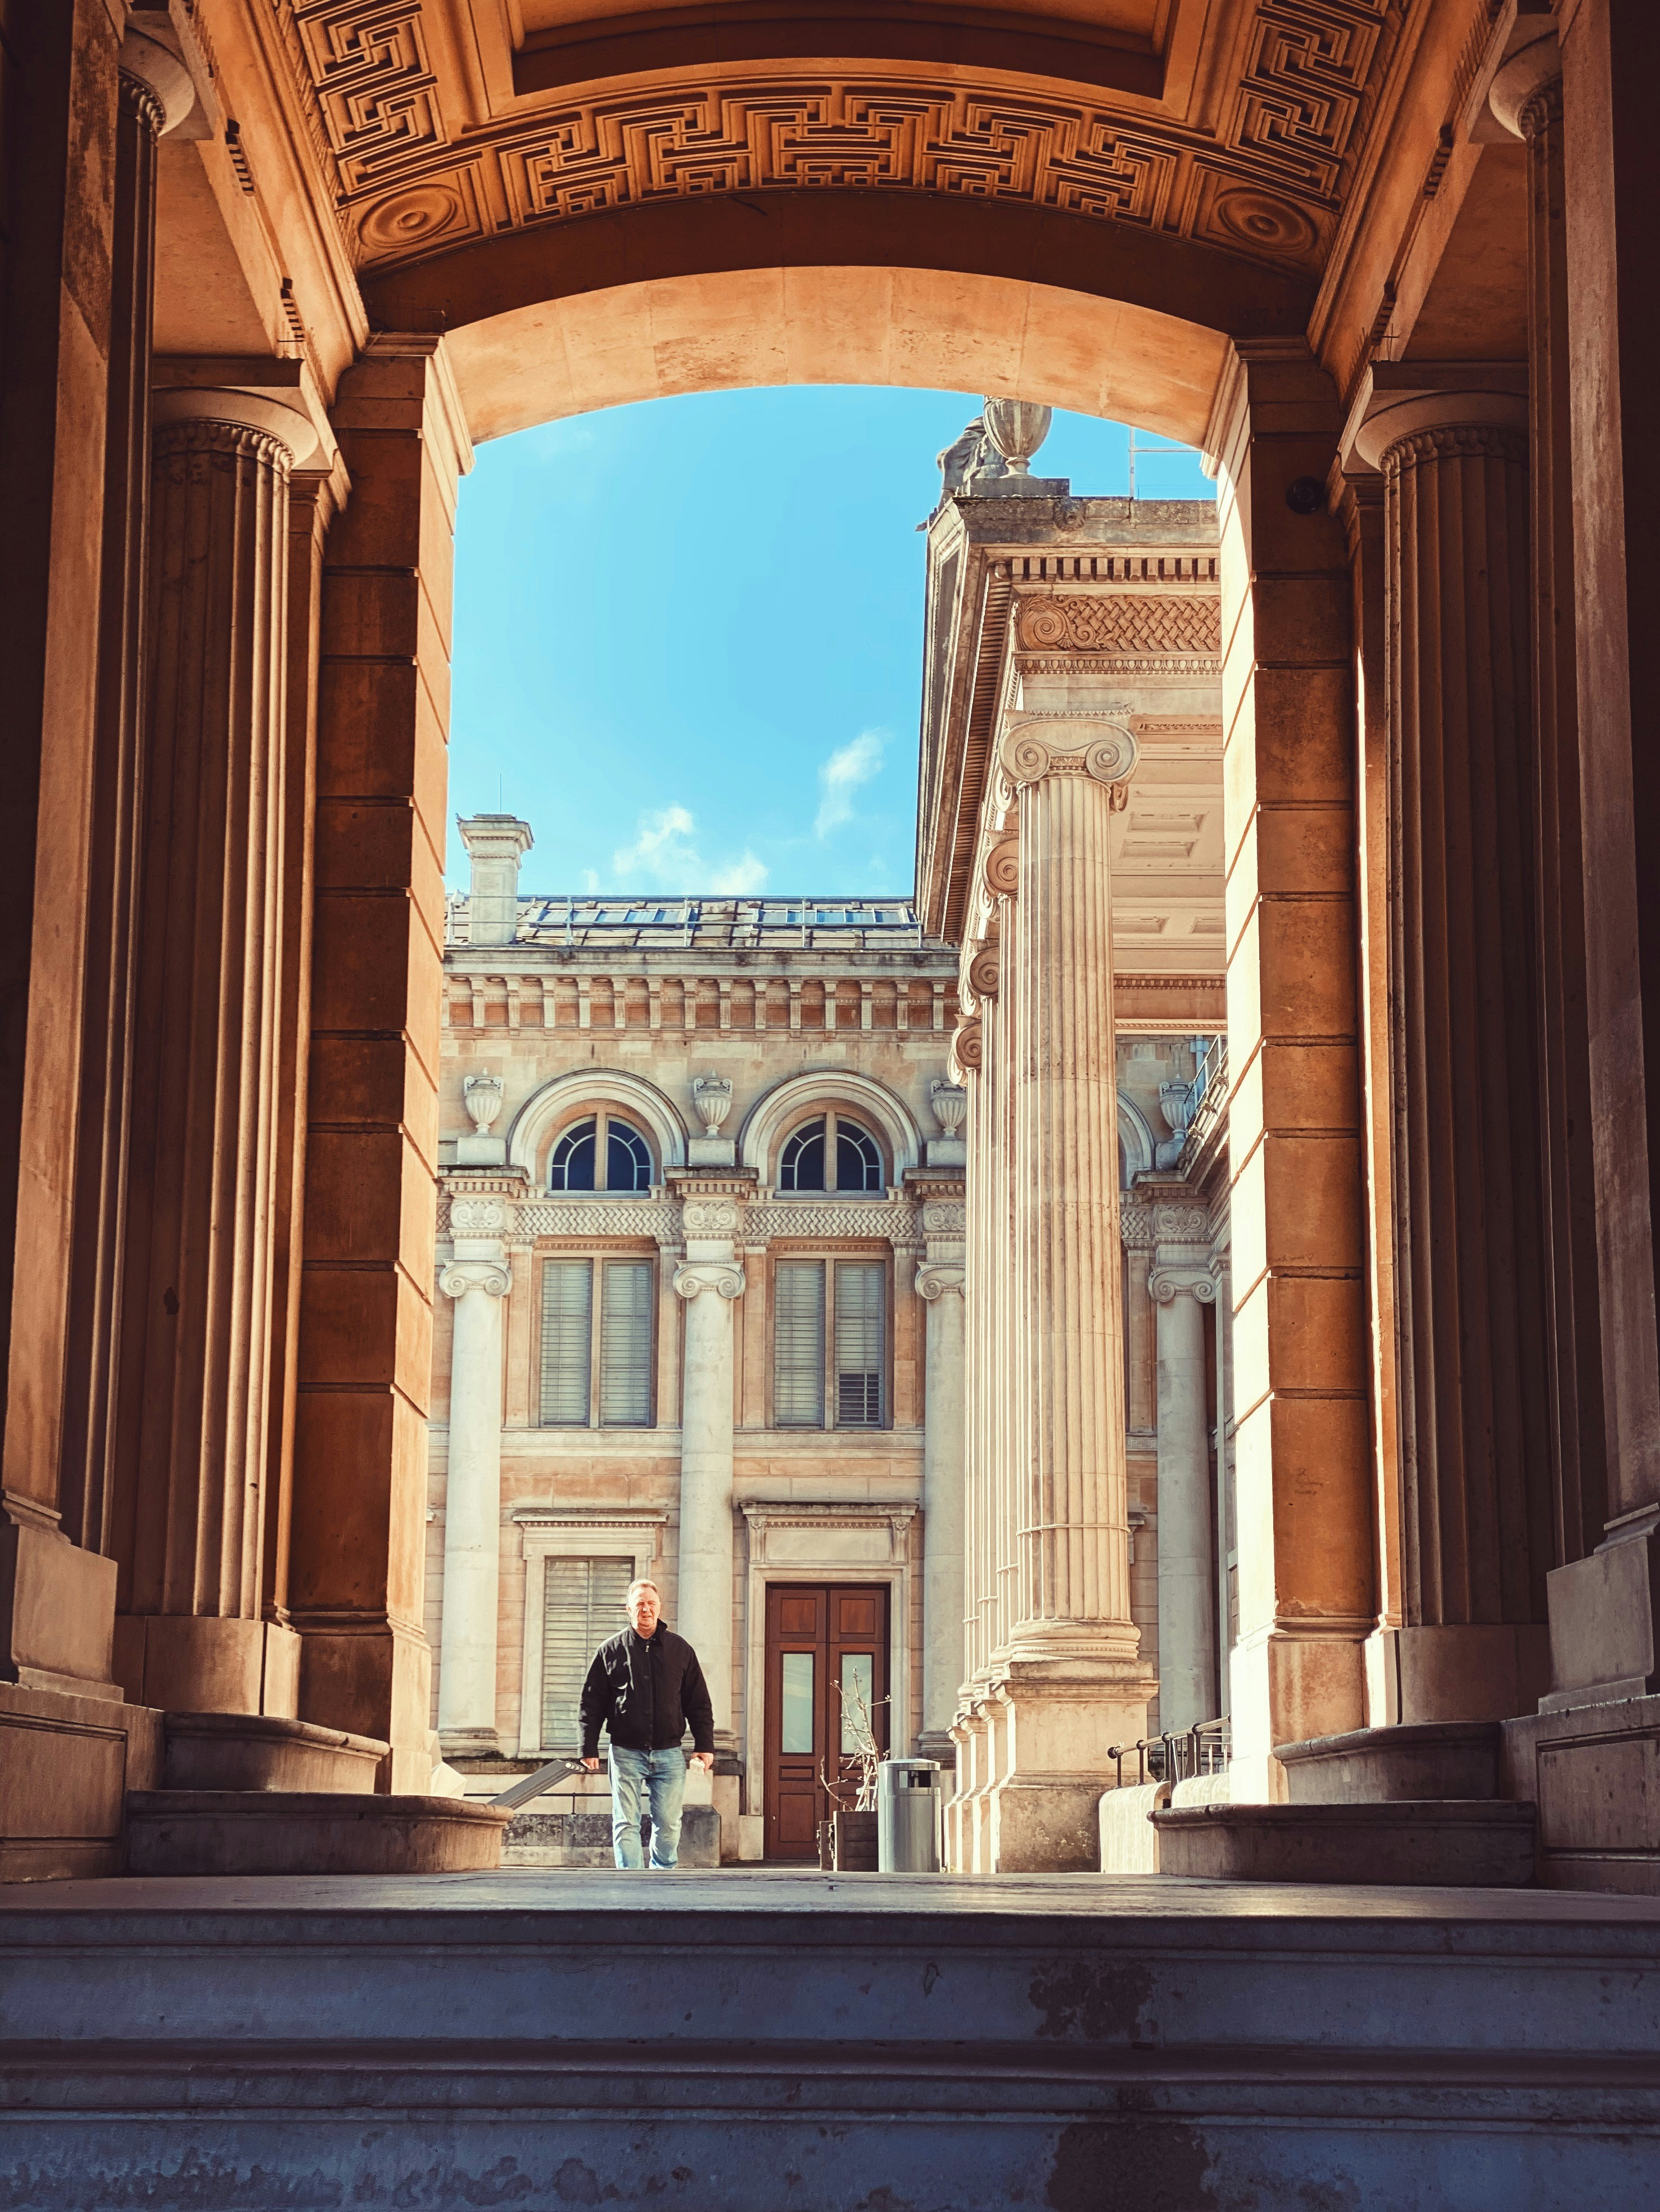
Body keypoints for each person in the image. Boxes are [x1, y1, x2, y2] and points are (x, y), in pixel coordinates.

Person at [579, 1578, 714, 1870]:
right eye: (639, 1604)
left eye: (651, 1603)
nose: (646, 1609)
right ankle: (631, 1882)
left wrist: (704, 1745)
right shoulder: (610, 1650)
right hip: (625, 1752)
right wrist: (588, 1747)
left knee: (669, 1824)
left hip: (669, 1752)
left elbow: (699, 1702)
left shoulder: (680, 1649)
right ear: (628, 1609)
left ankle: (661, 1878)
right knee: (625, 1822)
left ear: (660, 1607)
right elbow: (591, 1703)